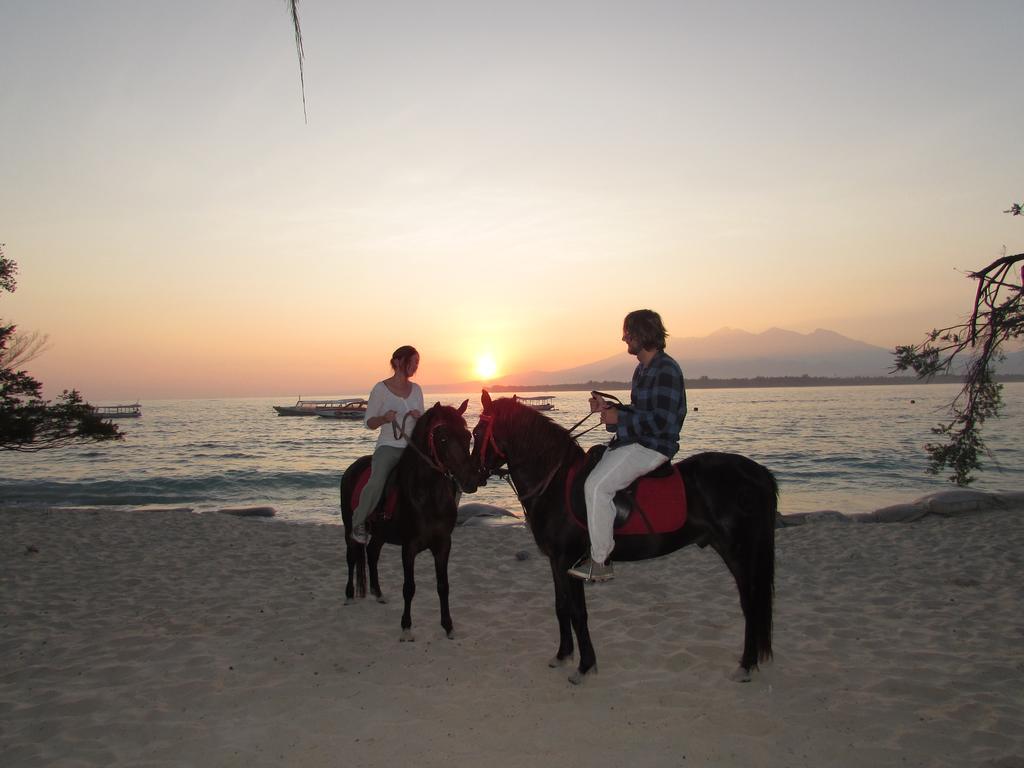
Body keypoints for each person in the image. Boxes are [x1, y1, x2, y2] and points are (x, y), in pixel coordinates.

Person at [568, 310, 687, 582]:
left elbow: (662, 421)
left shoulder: (666, 369)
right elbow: (639, 411)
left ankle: (601, 561)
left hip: (653, 446)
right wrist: (609, 410)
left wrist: (619, 418)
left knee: (597, 486)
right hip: (635, 440)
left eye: (628, 333)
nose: (624, 338)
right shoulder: (642, 369)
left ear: (643, 334)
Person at [350, 345, 425, 544]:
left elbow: (423, 424)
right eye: (413, 361)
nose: (416, 366)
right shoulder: (380, 389)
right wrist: (384, 418)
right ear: (399, 362)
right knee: (377, 480)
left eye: (418, 362)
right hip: (389, 446)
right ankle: (358, 522)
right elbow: (369, 423)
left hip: (413, 448)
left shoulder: (417, 390)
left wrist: (420, 418)